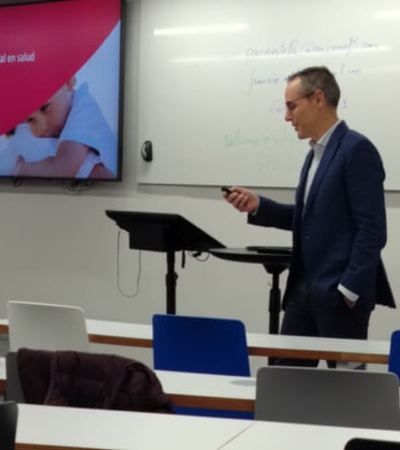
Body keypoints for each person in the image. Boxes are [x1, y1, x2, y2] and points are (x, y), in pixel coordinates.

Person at [223, 66, 395, 367]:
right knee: (285, 386)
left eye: (292, 106)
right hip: (303, 292)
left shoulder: (357, 150)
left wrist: (349, 290)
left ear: (318, 98)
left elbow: (373, 229)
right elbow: (310, 219)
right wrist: (259, 205)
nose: (287, 117)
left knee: (344, 395)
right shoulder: (314, 154)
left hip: (340, 298)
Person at [12, 75, 117, 179]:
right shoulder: (29, 132)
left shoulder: (84, 109)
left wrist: (22, 169)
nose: (42, 126)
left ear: (67, 82)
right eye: (30, 120)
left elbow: (62, 170)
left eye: (45, 108)